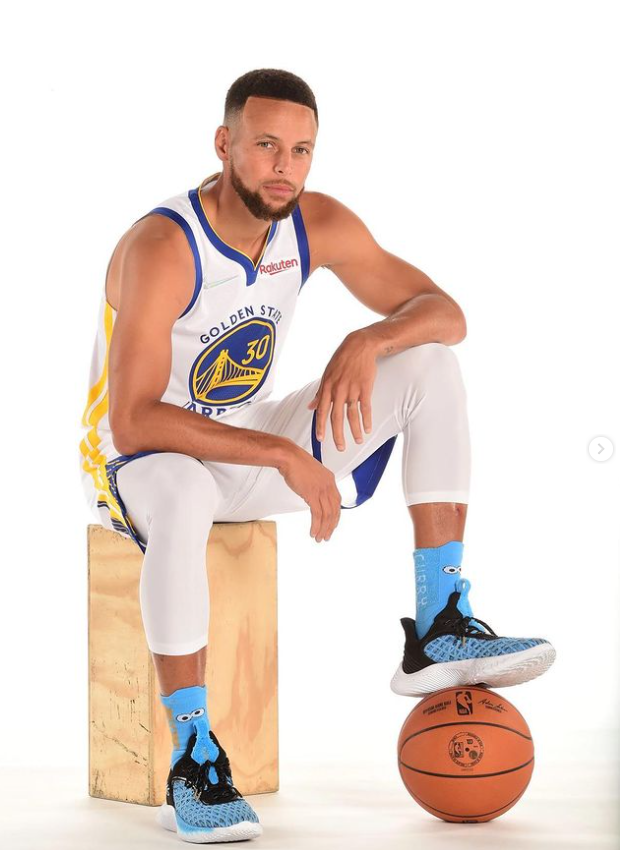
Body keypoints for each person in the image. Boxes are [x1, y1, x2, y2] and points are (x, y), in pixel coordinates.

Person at [78, 68, 556, 844]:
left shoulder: (314, 223)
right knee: (184, 492)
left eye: (300, 150)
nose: (284, 167)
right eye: (265, 145)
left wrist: (371, 338)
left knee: (429, 363)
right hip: (142, 463)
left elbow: (446, 314)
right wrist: (281, 453)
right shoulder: (164, 244)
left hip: (246, 440)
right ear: (224, 144)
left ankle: (439, 622)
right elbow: (132, 422)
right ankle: (193, 758)